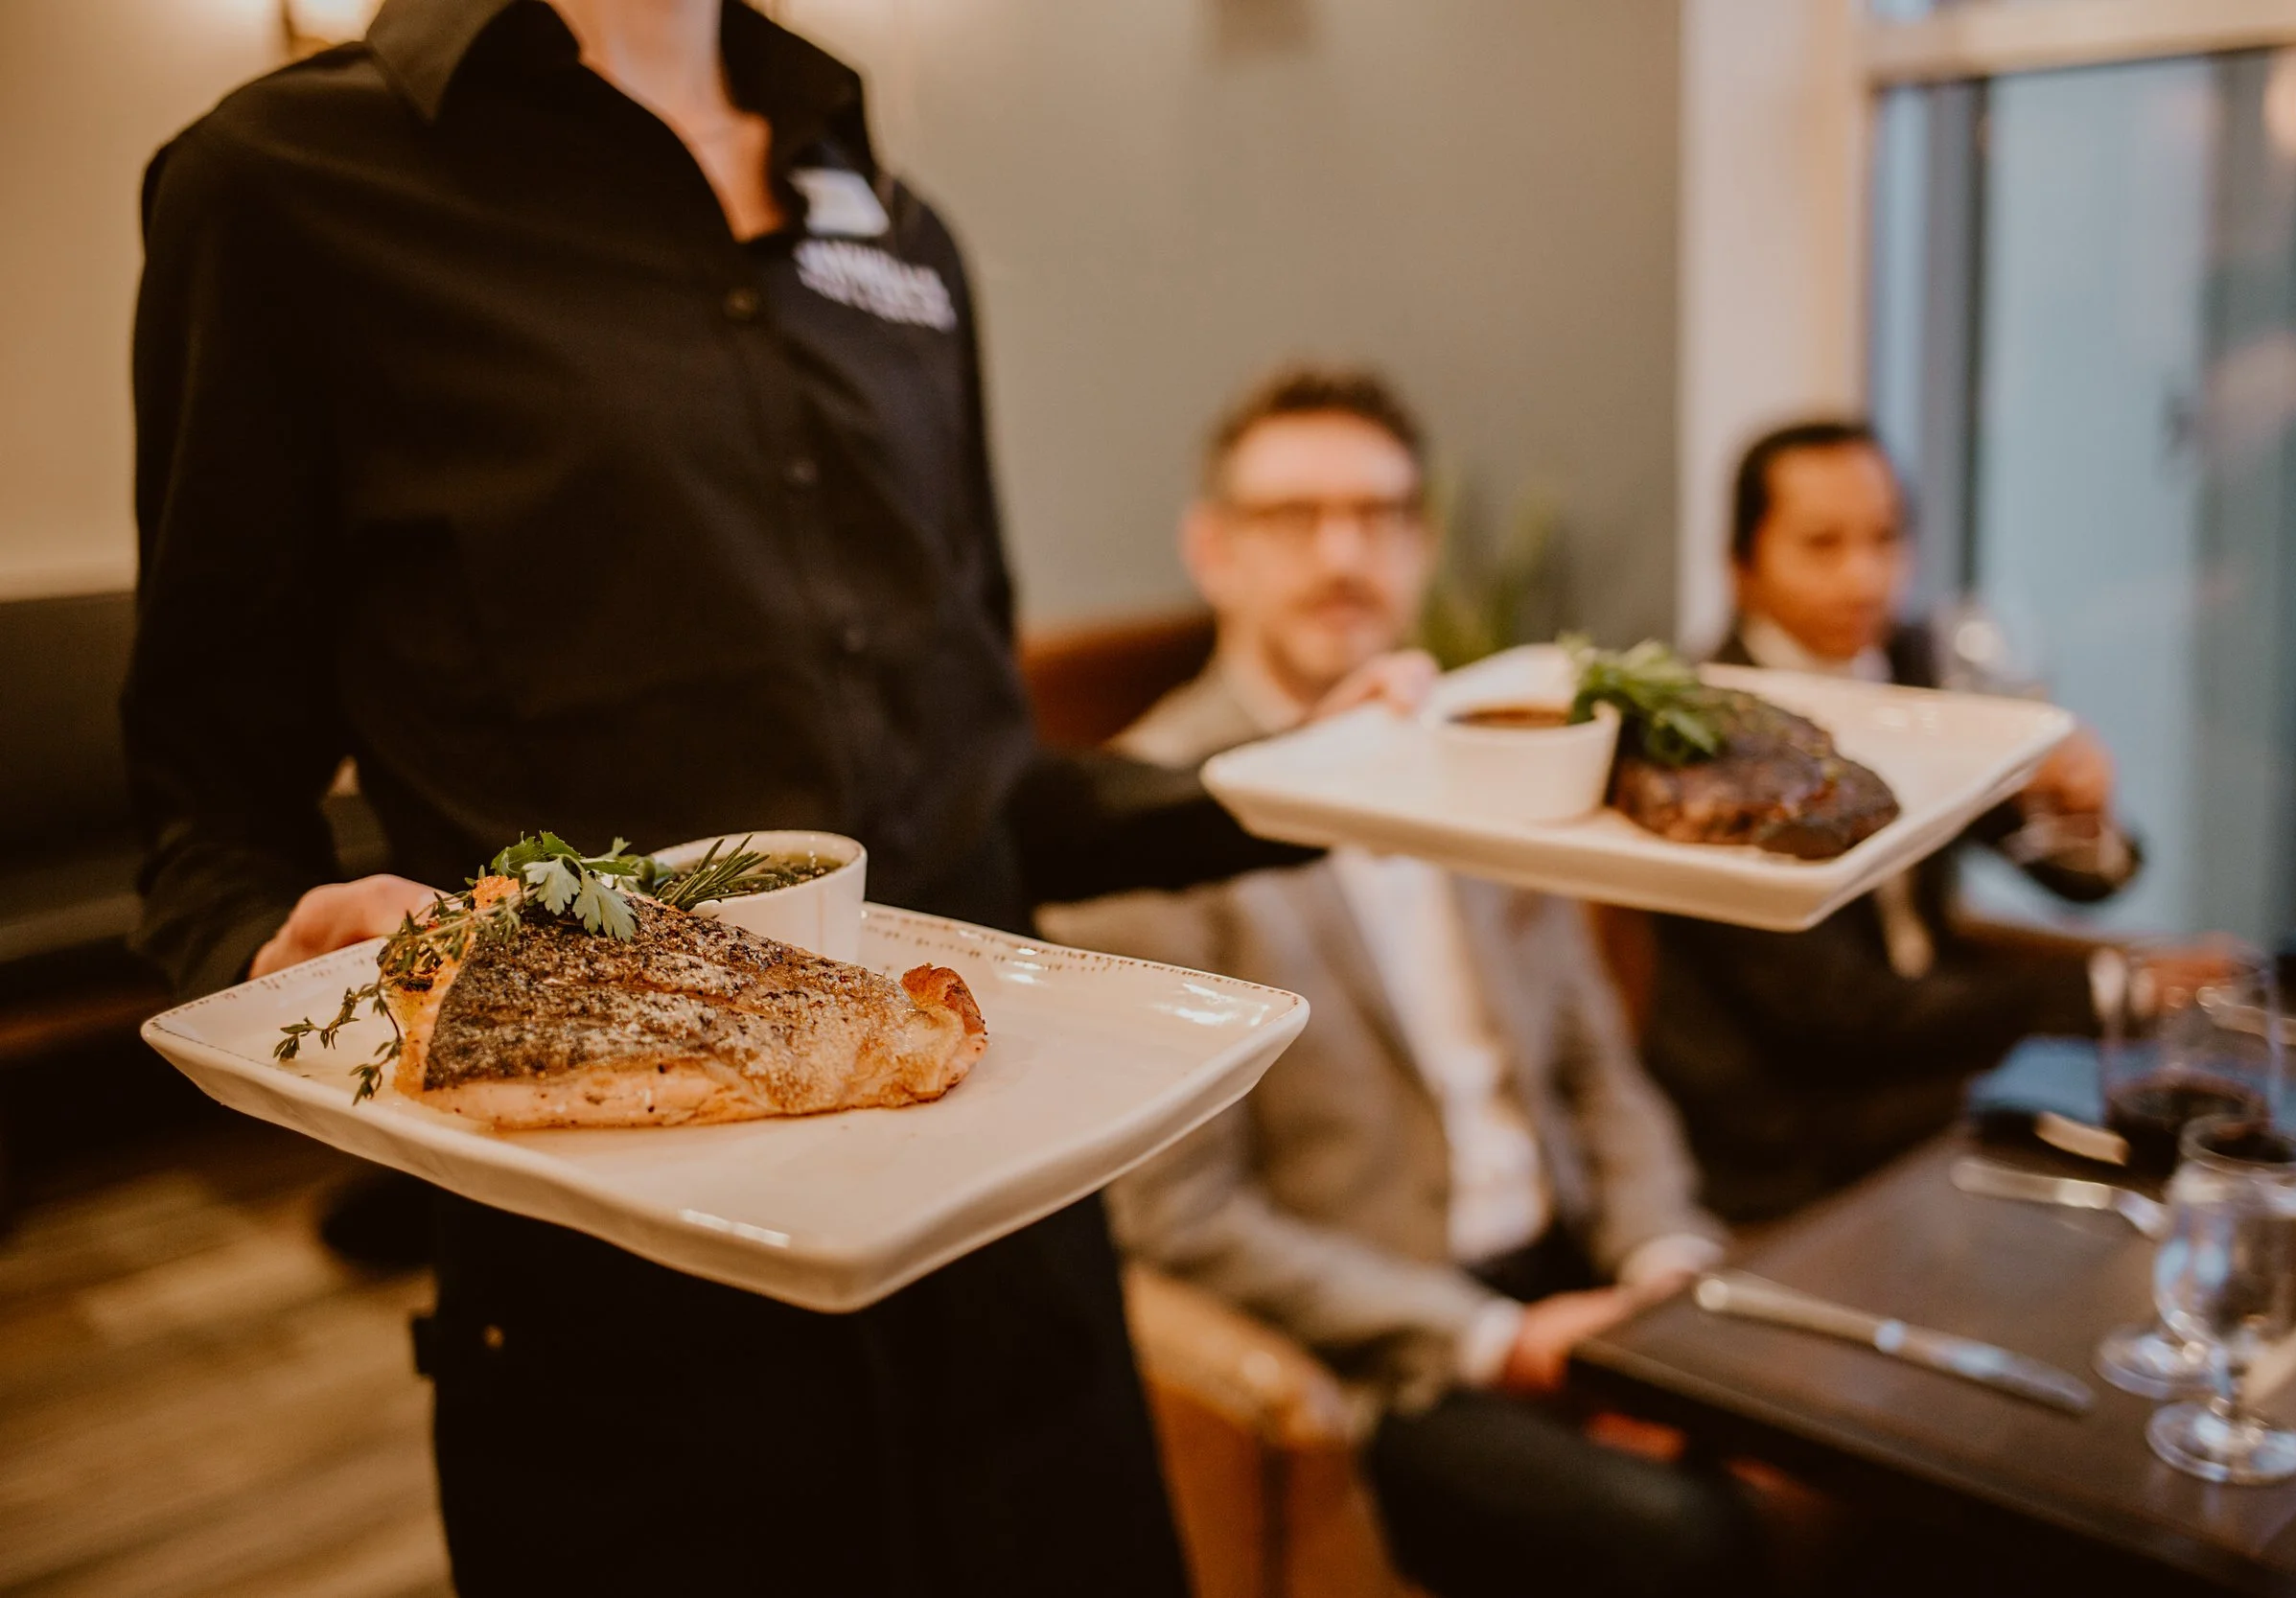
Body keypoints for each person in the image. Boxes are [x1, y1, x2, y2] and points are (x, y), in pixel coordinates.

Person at [124, 6, 1419, 1591]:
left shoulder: (900, 230)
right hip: (629, 1289)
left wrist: (1324, 771)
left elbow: (983, 784)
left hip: (1011, 1250)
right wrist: (284, 952)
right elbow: (210, 808)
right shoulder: (282, 186)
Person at [1043, 365, 1761, 1598]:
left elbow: (1596, 1064)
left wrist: (1661, 1268)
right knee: (1694, 1540)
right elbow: (1180, 1220)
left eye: (1379, 516)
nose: (1343, 554)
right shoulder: (1140, 825)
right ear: (1212, 551)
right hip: (1393, 1349)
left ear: (1421, 544)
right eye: (1293, 518)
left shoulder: (1486, 752)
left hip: (1582, 1267)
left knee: (1848, 1451)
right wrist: (1504, 1342)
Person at [1640, 420, 2142, 1221]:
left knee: (2161, 1115)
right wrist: (2107, 987)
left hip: (1924, 1070)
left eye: (1886, 538)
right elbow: (1837, 1015)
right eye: (1822, 543)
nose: (1865, 577)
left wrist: (2078, 807)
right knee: (2120, 1112)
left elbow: (2077, 877)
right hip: (1789, 1132)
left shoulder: (1918, 668)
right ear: (1742, 564)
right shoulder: (1701, 733)